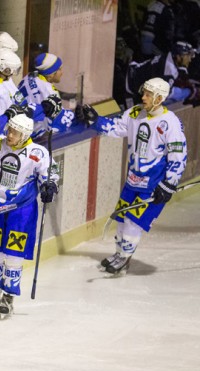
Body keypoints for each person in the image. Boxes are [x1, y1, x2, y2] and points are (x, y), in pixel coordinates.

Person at [76, 77, 187, 274]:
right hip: (133, 179)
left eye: (148, 94)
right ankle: (120, 254)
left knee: (133, 221)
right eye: (143, 92)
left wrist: (169, 185)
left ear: (160, 98)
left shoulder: (171, 123)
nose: (143, 97)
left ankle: (125, 258)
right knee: (121, 218)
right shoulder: (135, 112)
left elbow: (178, 156)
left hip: (153, 184)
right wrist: (96, 120)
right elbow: (117, 128)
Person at [0, 114, 59, 314]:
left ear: (25, 135)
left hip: (22, 208)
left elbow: (50, 173)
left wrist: (49, 185)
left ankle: (9, 295)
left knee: (14, 252)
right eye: (9, 129)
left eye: (14, 132)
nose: (9, 134)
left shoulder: (37, 152)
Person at [18, 52, 77, 138]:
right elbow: (59, 119)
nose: (62, 72)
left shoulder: (30, 76)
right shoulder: (50, 92)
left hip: (18, 128)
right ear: (51, 74)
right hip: (34, 136)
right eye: (59, 69)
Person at [126, 40, 197, 104]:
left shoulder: (170, 56)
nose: (189, 60)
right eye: (187, 56)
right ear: (178, 56)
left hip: (133, 71)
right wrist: (189, 92)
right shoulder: (168, 71)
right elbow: (167, 94)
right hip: (130, 87)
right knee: (186, 93)